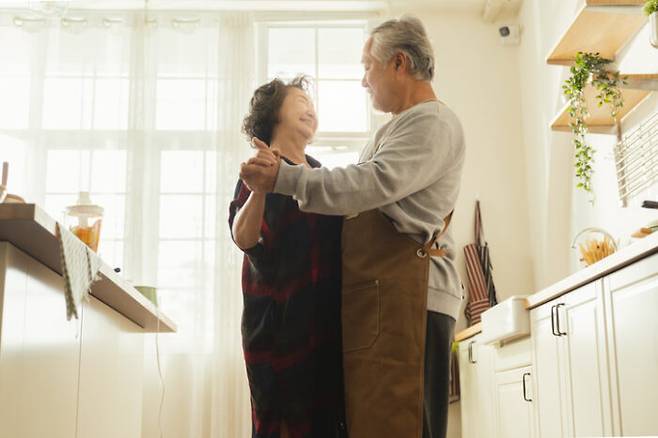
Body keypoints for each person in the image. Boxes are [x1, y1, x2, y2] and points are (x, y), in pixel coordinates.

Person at [239, 16, 465, 438]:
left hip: (412, 297)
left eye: (367, 67)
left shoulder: (430, 122)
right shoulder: (400, 126)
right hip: (389, 298)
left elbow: (370, 184)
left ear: (398, 63)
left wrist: (282, 179)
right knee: (385, 422)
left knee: (409, 422)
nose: (364, 81)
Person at [229, 76, 346, 438]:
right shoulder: (259, 168)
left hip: (325, 326)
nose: (310, 109)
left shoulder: (321, 175)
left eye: (311, 103)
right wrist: (260, 190)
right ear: (274, 113)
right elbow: (243, 237)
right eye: (299, 101)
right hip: (276, 330)